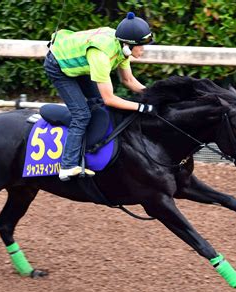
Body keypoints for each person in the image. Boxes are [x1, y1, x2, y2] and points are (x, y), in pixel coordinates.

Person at [44, 12, 155, 181]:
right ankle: (67, 165)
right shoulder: (101, 55)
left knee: (98, 106)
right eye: (140, 45)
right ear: (128, 44)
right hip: (58, 66)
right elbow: (109, 99)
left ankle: (92, 148)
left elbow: (129, 80)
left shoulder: (121, 48)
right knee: (82, 114)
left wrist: (155, 96)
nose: (143, 49)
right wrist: (142, 107)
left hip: (79, 63)